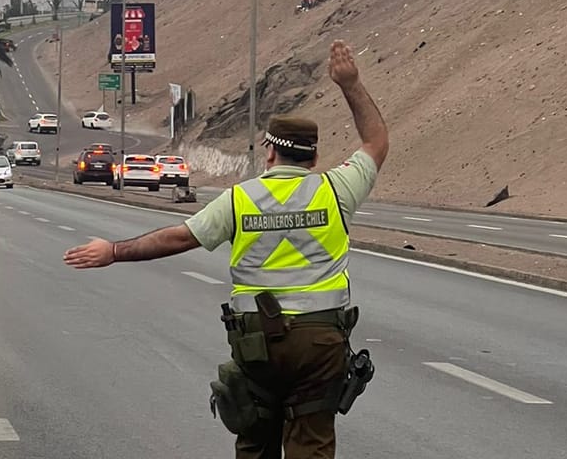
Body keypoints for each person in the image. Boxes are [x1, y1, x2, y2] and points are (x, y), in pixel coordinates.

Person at [63, 39, 389, 459]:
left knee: (255, 439)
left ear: (270, 151)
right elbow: (376, 141)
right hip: (321, 344)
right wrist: (351, 85)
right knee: (313, 442)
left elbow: (179, 237)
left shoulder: (240, 199)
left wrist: (113, 250)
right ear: (313, 157)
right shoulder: (337, 188)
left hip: (258, 345)